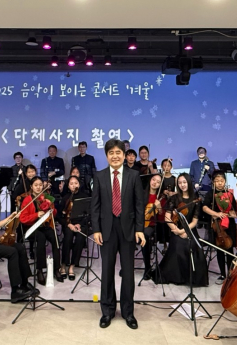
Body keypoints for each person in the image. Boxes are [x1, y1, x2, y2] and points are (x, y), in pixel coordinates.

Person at [91, 139, 146, 330]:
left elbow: (139, 205)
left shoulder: (134, 175)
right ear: (106, 156)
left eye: (118, 152)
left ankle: (128, 312)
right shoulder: (99, 176)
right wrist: (96, 229)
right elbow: (95, 206)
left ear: (124, 155)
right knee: (107, 271)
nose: (115, 156)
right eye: (111, 153)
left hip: (128, 229)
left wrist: (139, 229)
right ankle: (107, 311)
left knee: (128, 272)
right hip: (106, 229)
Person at [156, 172, 208, 287]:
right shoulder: (174, 198)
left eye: (184, 182)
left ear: (188, 182)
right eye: (179, 183)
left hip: (190, 229)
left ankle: (192, 278)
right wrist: (177, 230)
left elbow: (194, 221)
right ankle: (177, 277)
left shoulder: (195, 199)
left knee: (194, 247)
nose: (182, 185)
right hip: (176, 229)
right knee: (178, 247)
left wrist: (184, 231)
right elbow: (167, 217)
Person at [19, 176, 64, 285]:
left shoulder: (45, 197)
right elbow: (23, 219)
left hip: (44, 225)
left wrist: (51, 208)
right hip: (31, 227)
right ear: (31, 186)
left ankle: (56, 268)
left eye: (40, 185)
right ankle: (40, 269)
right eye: (36, 185)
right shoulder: (27, 199)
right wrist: (36, 215)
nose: (38, 187)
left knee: (55, 238)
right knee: (41, 238)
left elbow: (54, 214)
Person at [202, 170, 236, 285]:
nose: (220, 183)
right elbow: (204, 208)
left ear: (225, 181)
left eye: (222, 181)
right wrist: (216, 214)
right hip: (216, 226)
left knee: (230, 249)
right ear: (213, 182)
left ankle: (230, 274)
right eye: (217, 181)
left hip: (229, 225)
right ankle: (222, 274)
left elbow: (234, 210)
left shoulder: (230, 194)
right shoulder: (210, 194)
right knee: (220, 250)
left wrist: (230, 214)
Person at [58, 175, 90, 280]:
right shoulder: (65, 198)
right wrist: (68, 224)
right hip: (68, 224)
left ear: (79, 185)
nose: (74, 185)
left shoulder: (84, 197)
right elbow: (59, 216)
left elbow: (88, 215)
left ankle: (72, 265)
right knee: (68, 236)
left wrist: (79, 224)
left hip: (81, 224)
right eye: (71, 184)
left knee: (80, 238)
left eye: (76, 183)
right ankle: (64, 264)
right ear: (68, 186)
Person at [142, 173, 167, 281]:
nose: (155, 183)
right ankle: (126, 267)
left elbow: (162, 218)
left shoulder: (160, 198)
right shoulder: (141, 194)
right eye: (153, 179)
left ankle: (147, 267)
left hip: (152, 225)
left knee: (145, 235)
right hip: (139, 223)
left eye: (158, 182)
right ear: (150, 180)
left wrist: (159, 207)